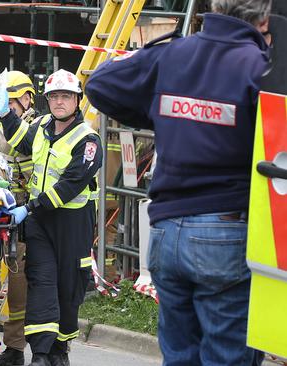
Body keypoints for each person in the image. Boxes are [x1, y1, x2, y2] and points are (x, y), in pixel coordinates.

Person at [84, 0, 271, 364]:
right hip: (227, 230)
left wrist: (159, 116)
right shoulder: (260, 68)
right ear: (264, 18)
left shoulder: (173, 54)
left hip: (167, 234)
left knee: (180, 357)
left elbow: (101, 83)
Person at [0, 69, 102, 366]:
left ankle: (58, 350)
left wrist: (30, 207)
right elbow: (21, 140)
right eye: (54, 96)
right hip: (40, 222)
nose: (59, 102)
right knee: (40, 280)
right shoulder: (41, 126)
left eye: (66, 96)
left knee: (69, 287)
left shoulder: (88, 140)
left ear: (77, 99)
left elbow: (70, 185)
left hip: (72, 222)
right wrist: (4, 113)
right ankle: (40, 353)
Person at [0, 70, 38, 366]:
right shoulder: (3, 123)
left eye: (12, 101)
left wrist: (0, 121)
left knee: (19, 281)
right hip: (6, 207)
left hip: (31, 211)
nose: (8, 107)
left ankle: (15, 347)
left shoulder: (36, 126)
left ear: (27, 99)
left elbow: (7, 145)